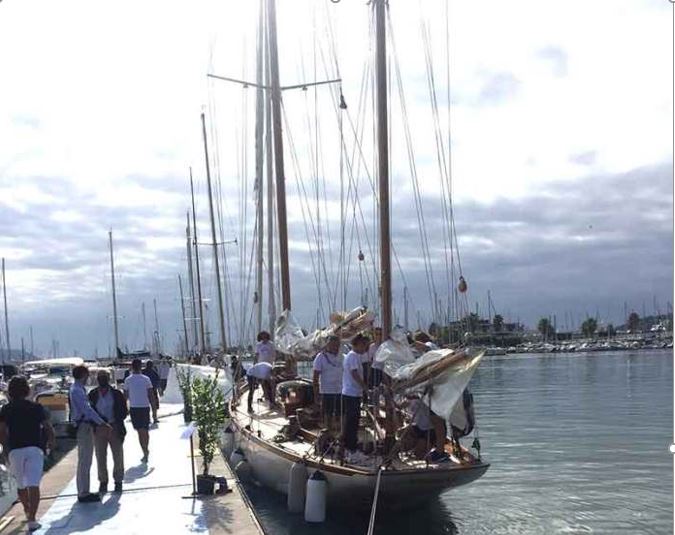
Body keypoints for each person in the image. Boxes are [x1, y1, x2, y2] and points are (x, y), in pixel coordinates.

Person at [0, 376, 55, 531]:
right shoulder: (36, 407)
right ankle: (32, 519)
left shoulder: (6, 409)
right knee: (33, 484)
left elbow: (2, 432)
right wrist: (51, 441)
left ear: (10, 391)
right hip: (34, 448)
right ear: (26, 390)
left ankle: (26, 509)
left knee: (20, 485)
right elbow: (47, 427)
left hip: (15, 449)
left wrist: (5, 450)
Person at [70, 365, 112, 503]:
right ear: (83, 375)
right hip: (84, 426)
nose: (89, 377)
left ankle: (84, 490)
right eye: (87, 374)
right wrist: (101, 423)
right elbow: (86, 410)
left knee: (85, 460)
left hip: (84, 426)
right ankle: (83, 493)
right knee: (85, 460)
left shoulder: (77, 389)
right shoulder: (77, 390)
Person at [88, 370, 127, 494]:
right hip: (99, 428)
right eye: (100, 377)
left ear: (108, 379)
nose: (102, 380)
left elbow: (124, 411)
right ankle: (103, 481)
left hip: (114, 427)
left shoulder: (117, 394)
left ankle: (118, 481)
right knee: (100, 456)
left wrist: (115, 421)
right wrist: (99, 423)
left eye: (104, 377)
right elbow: (89, 412)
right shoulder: (93, 394)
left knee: (118, 455)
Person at [341, 334, 369, 462]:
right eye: (364, 345)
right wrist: (365, 387)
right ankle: (351, 450)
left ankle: (350, 449)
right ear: (357, 344)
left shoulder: (355, 356)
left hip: (353, 393)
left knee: (353, 422)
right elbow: (354, 373)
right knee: (352, 423)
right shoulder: (352, 356)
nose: (365, 348)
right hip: (351, 393)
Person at [123, 359, 154, 463]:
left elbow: (125, 396)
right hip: (144, 407)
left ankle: (145, 451)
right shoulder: (146, 379)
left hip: (135, 408)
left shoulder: (128, 380)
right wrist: (154, 410)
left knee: (140, 432)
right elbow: (151, 395)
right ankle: (145, 450)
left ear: (132, 367)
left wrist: (125, 408)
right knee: (144, 430)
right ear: (141, 367)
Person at [312, 336, 343, 432]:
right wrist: (316, 393)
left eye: (337, 345)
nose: (335, 347)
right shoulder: (320, 357)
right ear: (327, 345)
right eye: (332, 345)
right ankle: (328, 432)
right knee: (328, 413)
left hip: (340, 390)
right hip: (327, 391)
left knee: (340, 413)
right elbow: (315, 376)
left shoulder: (343, 356)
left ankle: (340, 433)